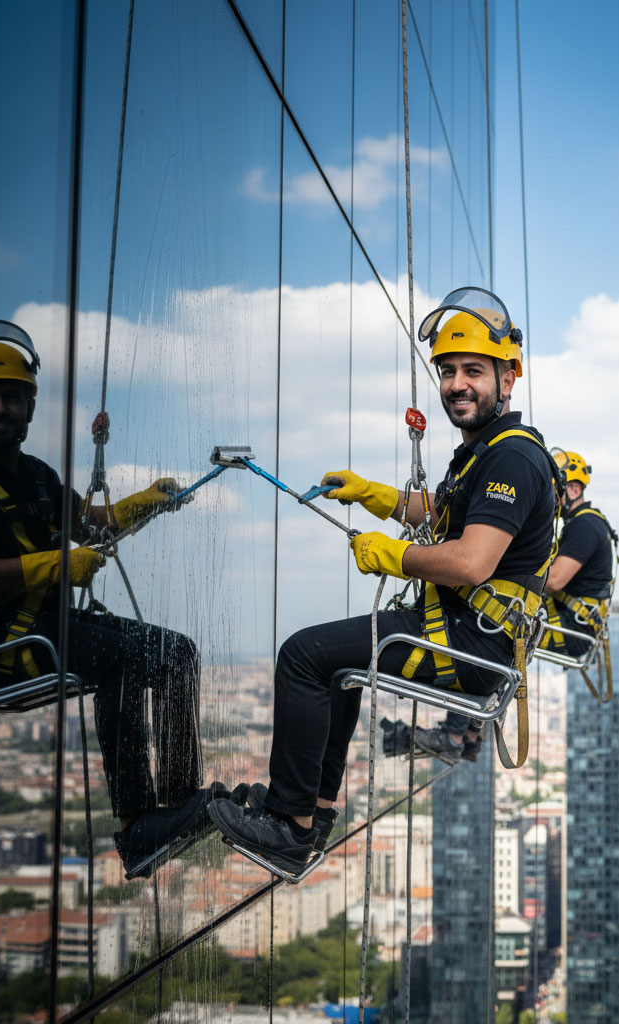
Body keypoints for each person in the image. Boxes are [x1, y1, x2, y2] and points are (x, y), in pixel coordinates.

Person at [209, 287, 561, 874]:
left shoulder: (512, 458)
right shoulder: (488, 452)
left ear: (509, 376)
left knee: (302, 656)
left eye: (473, 371)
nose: (456, 385)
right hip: (470, 633)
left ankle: (289, 827)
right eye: (447, 371)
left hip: (469, 643)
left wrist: (393, 556)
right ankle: (312, 814)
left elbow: (472, 561)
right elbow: (449, 514)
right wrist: (377, 496)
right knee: (334, 668)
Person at [0, 320, 232, 878]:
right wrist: (53, 565)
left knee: (179, 651)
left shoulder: (38, 478)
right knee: (125, 658)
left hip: (52, 628)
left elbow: (92, 526)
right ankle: (137, 827)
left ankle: (179, 801)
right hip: (3, 645)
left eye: (11, 397)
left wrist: (144, 502)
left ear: (29, 407)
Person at [539, 449, 617, 660]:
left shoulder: (585, 525)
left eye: (555, 492)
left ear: (573, 489)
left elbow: (554, 580)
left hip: (572, 626)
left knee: (494, 618)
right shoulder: (582, 523)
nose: (550, 499)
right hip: (572, 621)